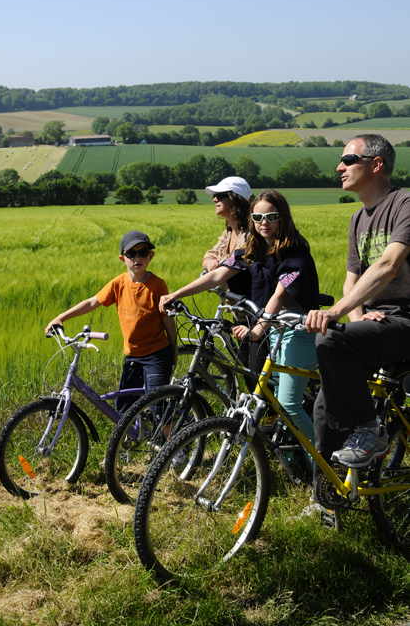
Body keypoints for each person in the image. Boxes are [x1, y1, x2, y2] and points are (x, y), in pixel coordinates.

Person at [160, 190, 320, 441]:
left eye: (271, 216)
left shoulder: (295, 251)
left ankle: (324, 467)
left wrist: (257, 329)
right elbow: (217, 275)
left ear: (283, 218)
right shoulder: (253, 248)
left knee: (288, 405)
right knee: (268, 394)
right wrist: (176, 294)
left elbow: (279, 296)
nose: (263, 223)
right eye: (257, 217)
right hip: (272, 330)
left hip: (295, 330)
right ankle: (289, 454)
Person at [305, 134, 410, 476]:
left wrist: (336, 313)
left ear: (376, 165)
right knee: (325, 405)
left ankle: (371, 429)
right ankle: (329, 493)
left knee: (331, 339)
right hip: (378, 322)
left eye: (348, 160)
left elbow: (387, 264)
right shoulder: (357, 219)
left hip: (406, 319)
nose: (339, 167)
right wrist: (358, 314)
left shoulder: (404, 204)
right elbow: (352, 279)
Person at [45, 230, 178, 411]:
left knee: (158, 408)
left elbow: (168, 320)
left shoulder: (157, 285)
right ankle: (127, 439)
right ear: (122, 258)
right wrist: (61, 317)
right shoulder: (118, 283)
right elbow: (92, 302)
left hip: (156, 356)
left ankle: (168, 439)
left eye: (143, 253)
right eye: (131, 254)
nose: (137, 258)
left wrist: (174, 352)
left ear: (151, 256)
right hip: (132, 356)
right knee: (123, 408)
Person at [202, 176, 252, 271]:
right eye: (214, 196)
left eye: (219, 196)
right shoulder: (228, 232)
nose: (214, 200)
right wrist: (210, 263)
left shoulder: (249, 234)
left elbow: (224, 273)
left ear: (235, 198)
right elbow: (208, 256)